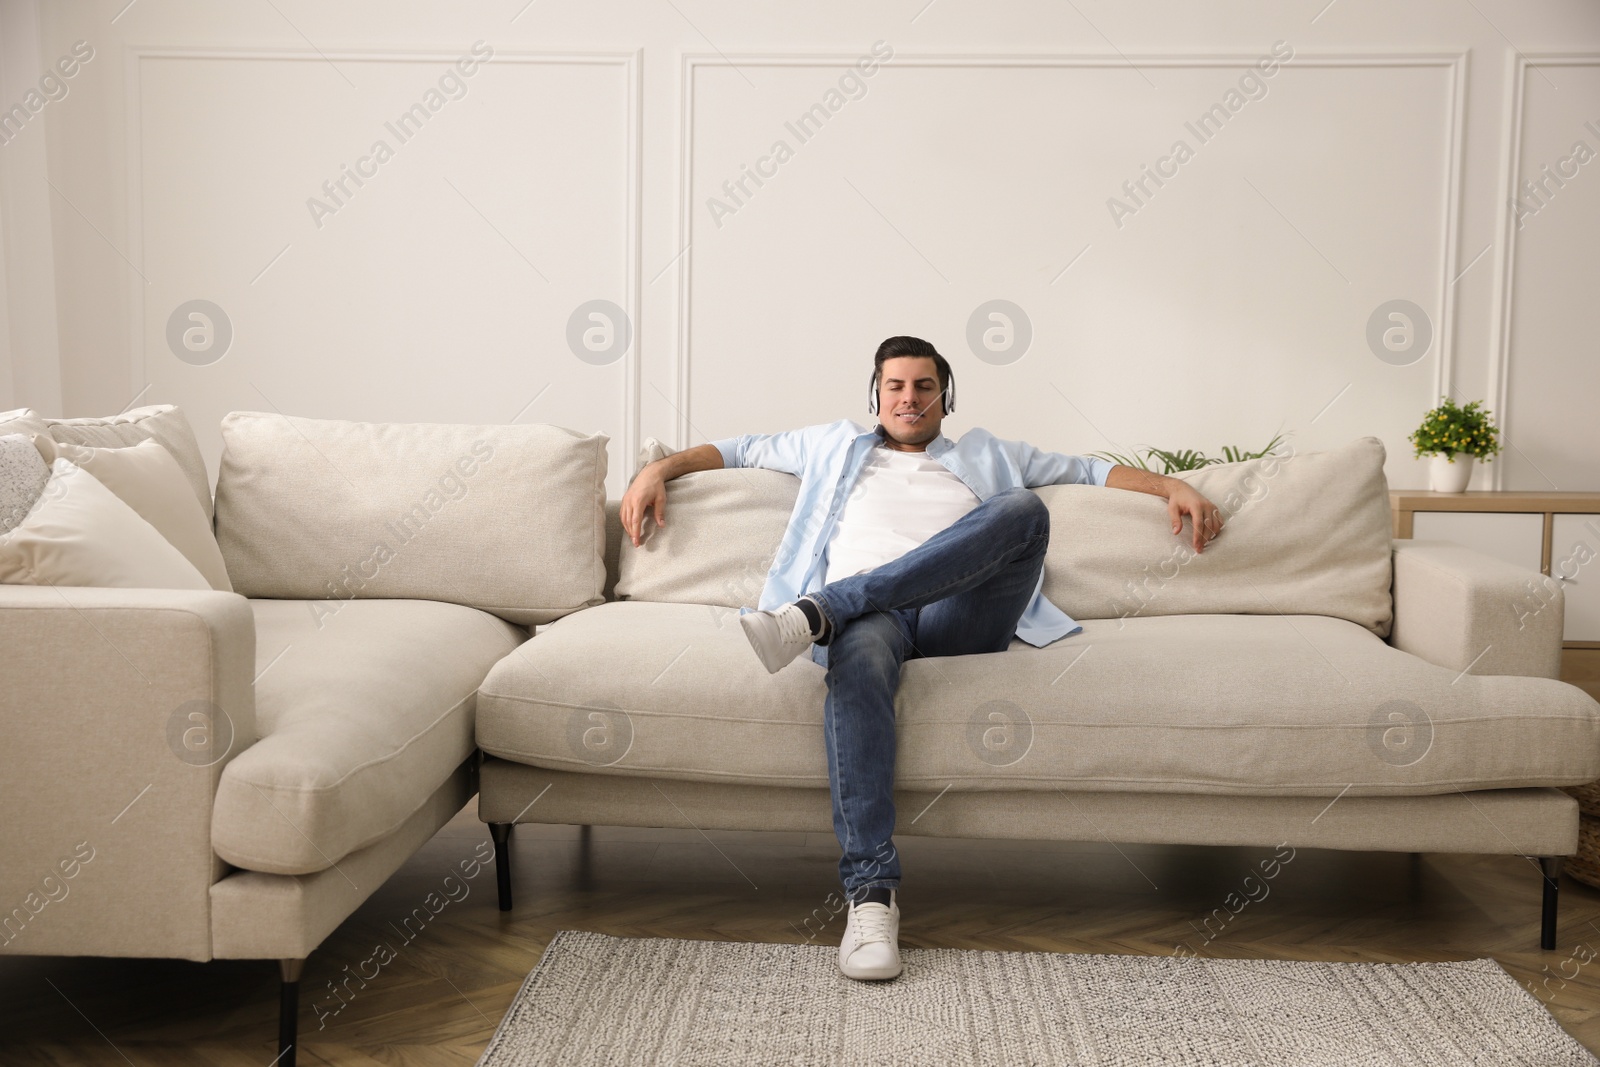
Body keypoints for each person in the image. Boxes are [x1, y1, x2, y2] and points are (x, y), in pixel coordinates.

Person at [618, 335, 1225, 981]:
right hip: (868, 625)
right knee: (858, 652)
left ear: (946, 395)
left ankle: (818, 611)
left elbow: (1087, 471)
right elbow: (732, 449)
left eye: (924, 386)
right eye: (896, 386)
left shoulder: (990, 452)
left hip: (958, 614)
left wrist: (1172, 485)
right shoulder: (828, 444)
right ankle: (871, 898)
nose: (910, 398)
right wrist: (656, 469)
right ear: (876, 393)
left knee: (1021, 509)